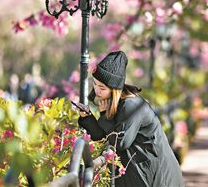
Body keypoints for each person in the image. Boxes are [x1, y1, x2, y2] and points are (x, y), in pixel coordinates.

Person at [77, 51, 184, 187]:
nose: (97, 90)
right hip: (141, 172)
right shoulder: (114, 103)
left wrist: (104, 115)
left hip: (157, 175)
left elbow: (120, 142)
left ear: (114, 89)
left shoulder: (131, 106)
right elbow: (103, 135)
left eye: (102, 87)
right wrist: (87, 118)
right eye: (95, 84)